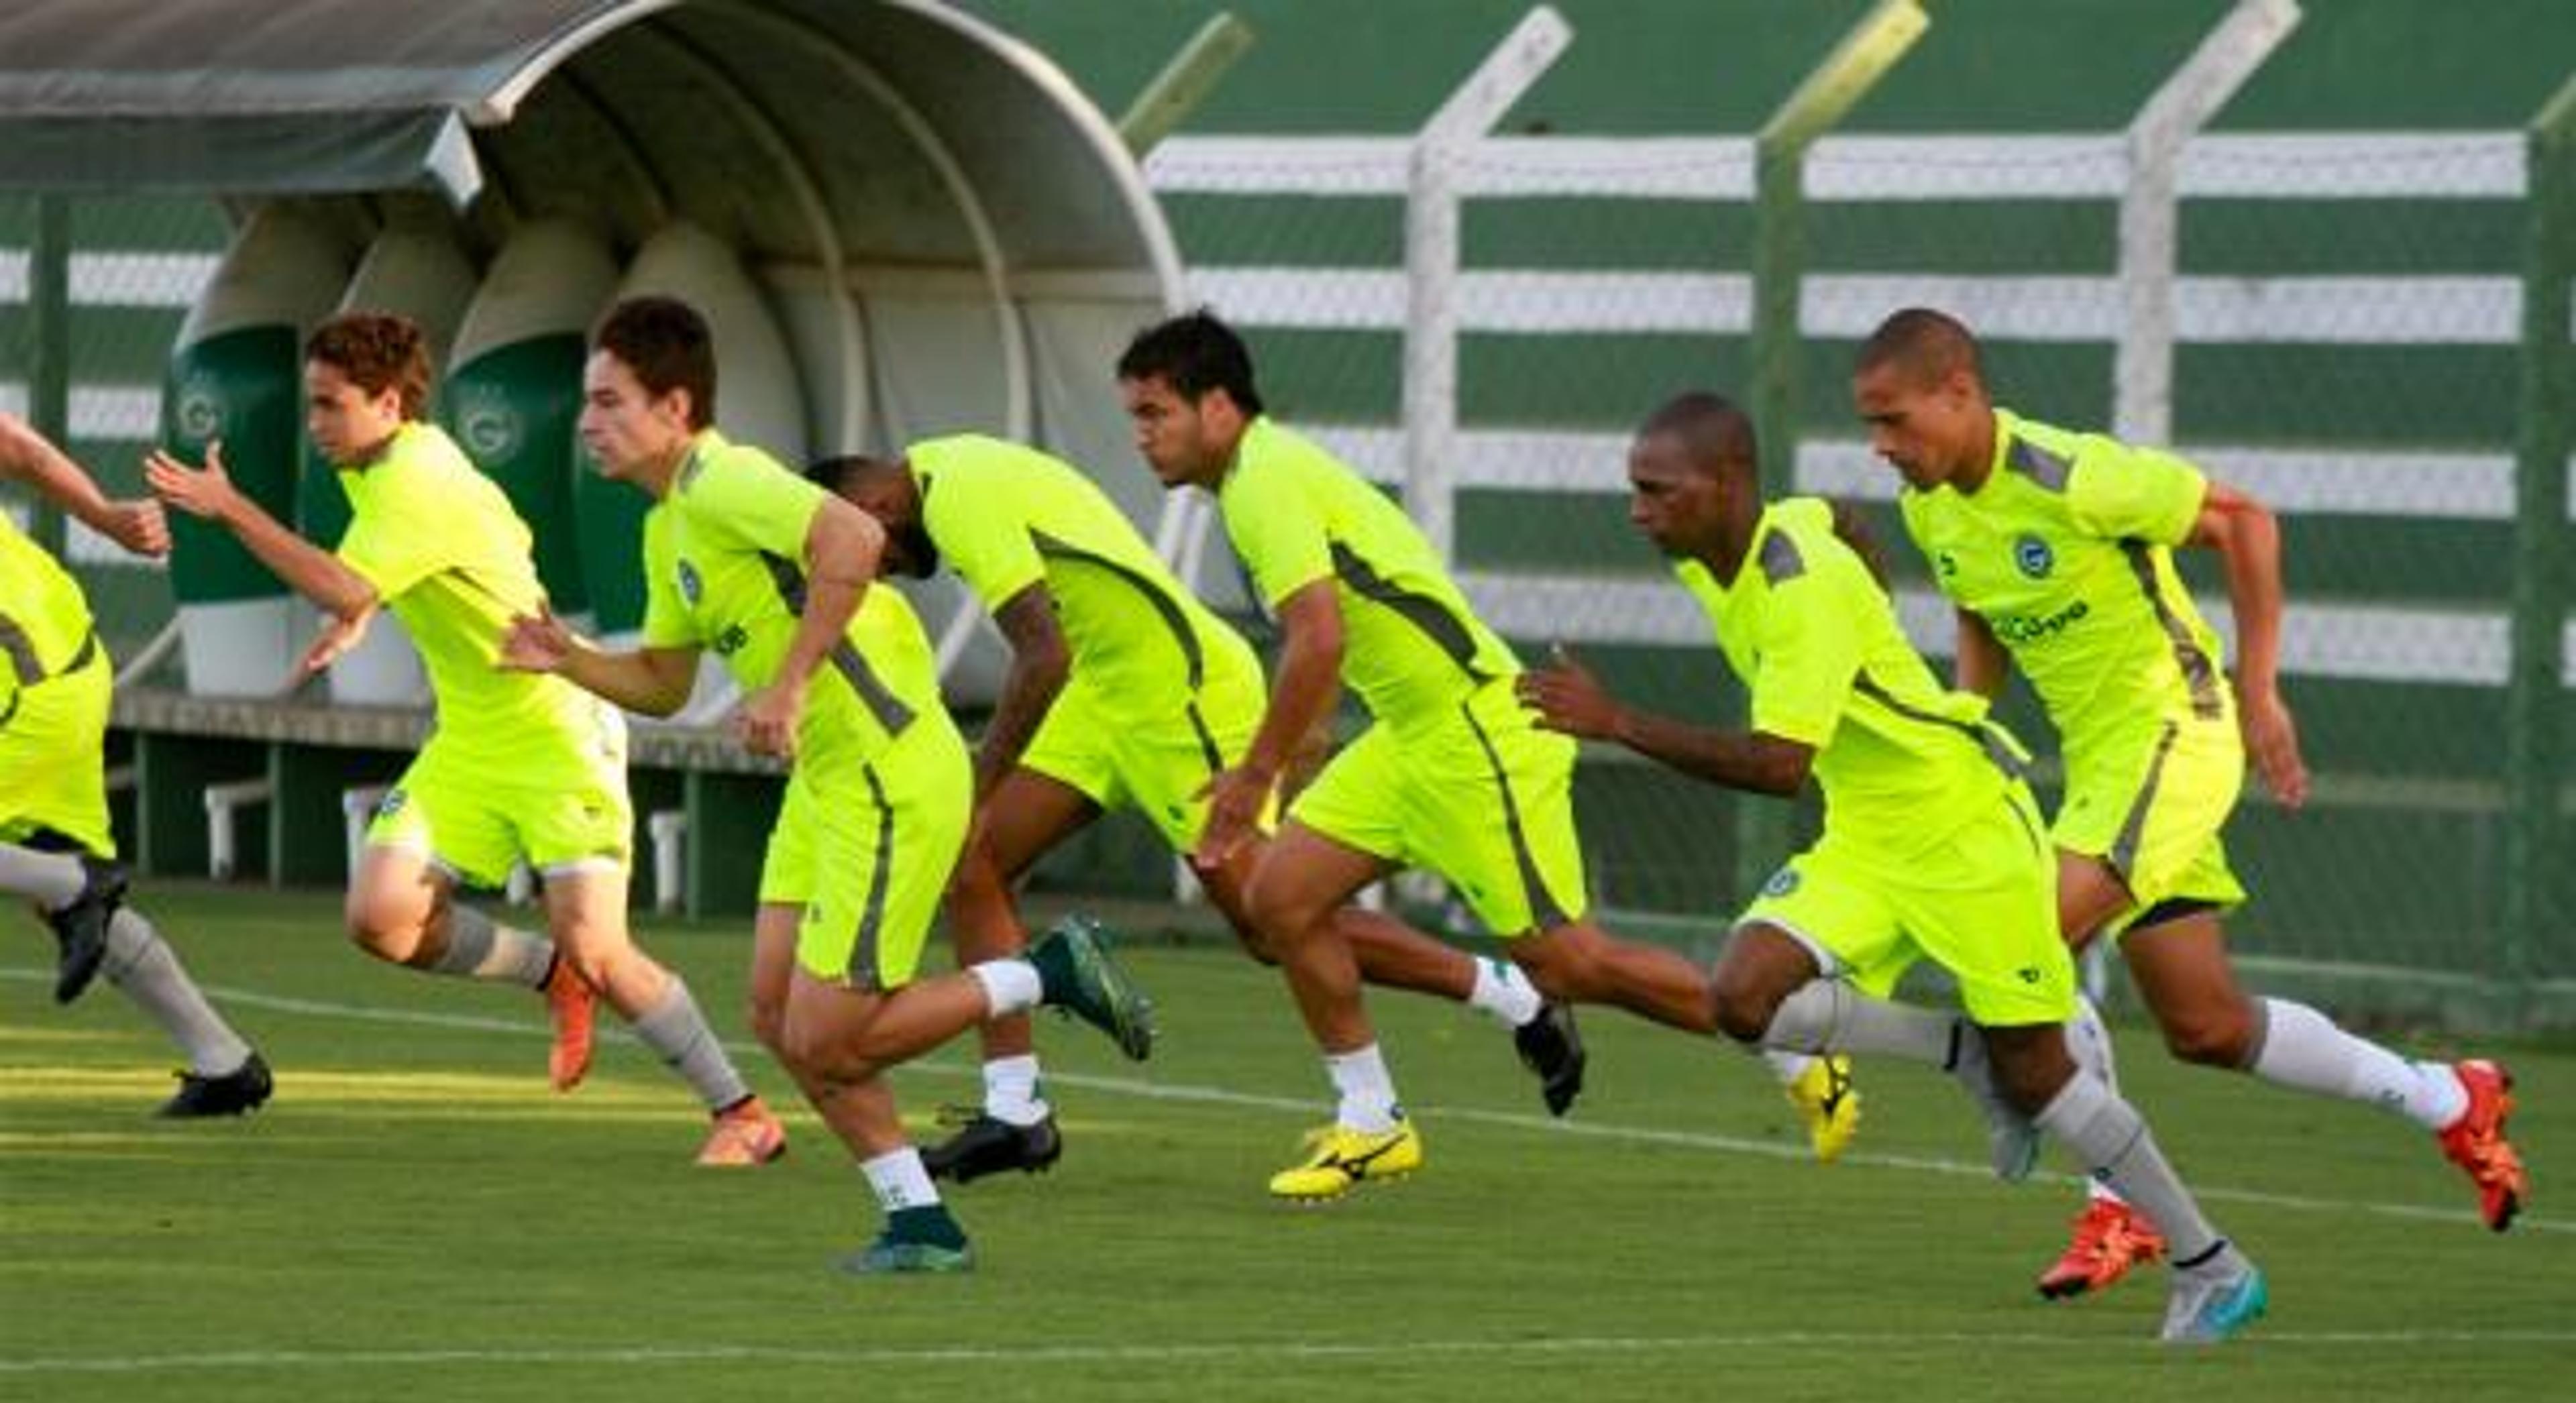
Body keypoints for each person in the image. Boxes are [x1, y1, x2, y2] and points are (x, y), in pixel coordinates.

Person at [1519, 391, 2265, 1343]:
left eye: (1657, 491)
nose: (1638, 510)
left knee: (2041, 1072)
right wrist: (1859, 548)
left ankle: (2214, 1266)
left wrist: (1616, 720)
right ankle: (1961, 1055)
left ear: (1727, 484)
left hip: (1964, 832)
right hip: (1869, 834)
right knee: (1743, 1000)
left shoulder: (1798, 590)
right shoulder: (1741, 544)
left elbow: (1779, 765)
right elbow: (1829, 514)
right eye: (1634, 490)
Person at [1849, 306, 2525, 1298]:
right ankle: (2448, 1099)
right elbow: (1979, 610)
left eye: (1896, 421)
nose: (1882, 448)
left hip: (2177, 733)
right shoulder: (1933, 507)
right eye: (1871, 426)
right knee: (2205, 1026)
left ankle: (2120, 1207)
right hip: (2106, 769)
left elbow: (2245, 522)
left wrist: (2259, 693)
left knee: (2019, 939)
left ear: (1959, 393)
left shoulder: (2075, 475)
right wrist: (1966, 722)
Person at [500, 295, 1155, 1274]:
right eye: (588, 403)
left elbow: (849, 541)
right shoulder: (666, 529)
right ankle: (919, 1224)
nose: (589, 423)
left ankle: (1048, 972)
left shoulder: (727, 480)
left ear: (677, 407)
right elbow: (667, 687)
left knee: (834, 1034)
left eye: (610, 401)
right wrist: (569, 658)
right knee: (777, 1015)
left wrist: (793, 682)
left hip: (886, 772)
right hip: (826, 783)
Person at [1115, 310, 1833, 1202]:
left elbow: (1320, 642)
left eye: (1155, 413)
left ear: (1217, 406)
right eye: (1136, 417)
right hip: (1410, 736)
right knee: (1279, 901)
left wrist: (1255, 777)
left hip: (1475, 731)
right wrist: (1293, 765)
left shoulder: (1265, 482)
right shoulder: (1252, 488)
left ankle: (1786, 1039)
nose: (1142, 436)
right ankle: (1372, 1122)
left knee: (1569, 964)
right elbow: (1331, 651)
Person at [807, 436, 1585, 1185]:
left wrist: (977, 781)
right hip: (1104, 694)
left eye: (873, 561)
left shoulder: (959, 488)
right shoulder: (946, 479)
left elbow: (1042, 652)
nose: (887, 576)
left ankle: (1514, 996)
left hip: (1183, 695)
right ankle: (1016, 1113)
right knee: (971, 860)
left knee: (1270, 918)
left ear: (871, 504)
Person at [146, 312, 784, 1166]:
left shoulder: (414, 478)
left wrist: (233, 512)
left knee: (602, 947)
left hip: (557, 726)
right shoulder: (375, 465)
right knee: (382, 918)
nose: (315, 425)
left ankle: (740, 1111)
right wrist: (361, 613)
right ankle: (548, 974)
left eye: (330, 406)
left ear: (387, 403)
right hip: (473, 736)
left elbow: (344, 578)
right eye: (309, 406)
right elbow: (399, 573)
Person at [1, 413, 272, 1116]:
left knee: (60, 880)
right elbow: (19, 447)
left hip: (21, 680)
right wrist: (108, 518)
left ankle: (70, 883)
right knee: (47, 876)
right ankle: (223, 1060)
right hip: (66, 660)